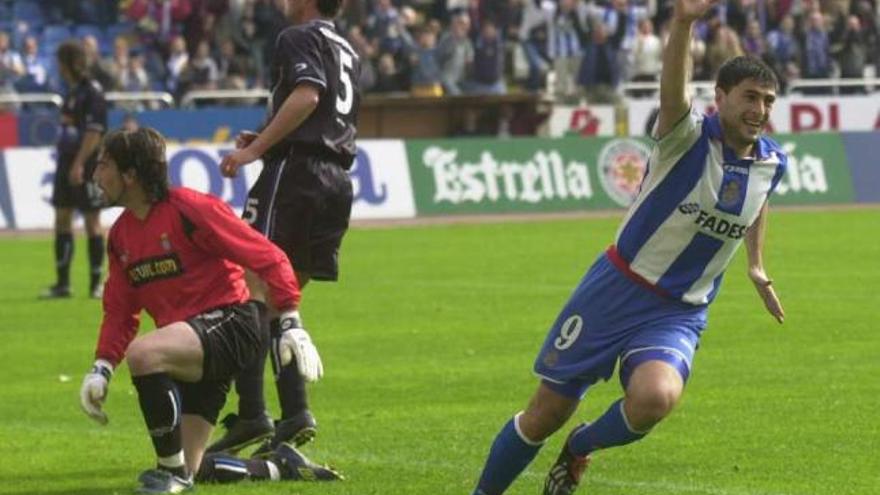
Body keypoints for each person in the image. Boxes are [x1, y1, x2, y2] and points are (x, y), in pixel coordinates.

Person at [471, 0, 788, 492]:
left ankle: (580, 447)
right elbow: (671, 93)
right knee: (544, 413)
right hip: (617, 288)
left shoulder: (772, 162)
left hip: (679, 310)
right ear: (720, 96)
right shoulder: (685, 137)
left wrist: (756, 263)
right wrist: (682, 23)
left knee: (655, 399)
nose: (760, 110)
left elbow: (757, 200)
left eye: (769, 101)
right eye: (750, 97)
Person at [79, 127, 341, 494]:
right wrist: (102, 367)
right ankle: (279, 466)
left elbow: (268, 256)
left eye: (103, 165)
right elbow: (121, 311)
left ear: (131, 175)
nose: (95, 175)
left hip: (233, 323)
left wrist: (290, 318)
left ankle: (170, 475)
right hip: (194, 341)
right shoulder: (121, 236)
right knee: (196, 463)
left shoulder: (191, 209)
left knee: (144, 354)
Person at [208, 0, 361, 457]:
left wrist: (258, 151)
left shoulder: (296, 36)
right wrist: (269, 135)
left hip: (295, 174)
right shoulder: (346, 46)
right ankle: (294, 413)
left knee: (248, 281)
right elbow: (325, 111)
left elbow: (308, 95)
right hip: (336, 180)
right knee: (283, 299)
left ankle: (253, 411)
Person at [42, 40, 107, 299]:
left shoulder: (92, 91)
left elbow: (94, 133)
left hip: (87, 163)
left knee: (92, 222)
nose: (57, 66)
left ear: (69, 63)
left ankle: (96, 285)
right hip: (66, 162)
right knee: (62, 219)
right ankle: (63, 284)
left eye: (60, 61)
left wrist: (80, 164)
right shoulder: (71, 92)